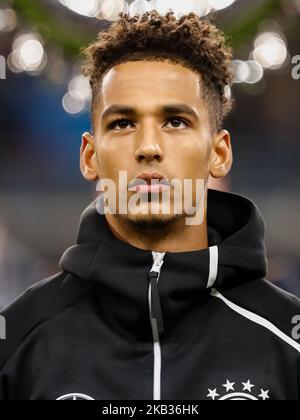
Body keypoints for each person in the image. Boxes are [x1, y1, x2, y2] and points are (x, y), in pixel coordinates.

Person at [0, 11, 299, 401]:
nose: (148, 148)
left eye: (175, 122)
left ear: (220, 153)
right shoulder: (16, 343)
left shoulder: (288, 342)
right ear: (90, 156)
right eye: (123, 123)